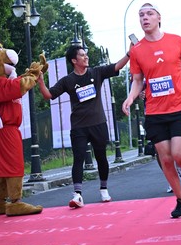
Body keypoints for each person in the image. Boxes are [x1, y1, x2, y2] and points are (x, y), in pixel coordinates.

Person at [122, 3, 181, 219]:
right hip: (154, 112)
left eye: (149, 14)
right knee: (165, 159)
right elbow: (137, 80)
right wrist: (130, 97)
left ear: (159, 17)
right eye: (141, 15)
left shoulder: (176, 40)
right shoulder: (137, 50)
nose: (145, 18)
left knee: (179, 155)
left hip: (178, 108)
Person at [37, 44, 129, 208]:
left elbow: (117, 66)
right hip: (79, 126)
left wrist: (129, 53)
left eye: (85, 54)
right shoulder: (68, 80)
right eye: (82, 55)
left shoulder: (96, 72)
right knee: (78, 158)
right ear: (74, 60)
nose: (86, 57)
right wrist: (40, 81)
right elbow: (48, 95)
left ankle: (104, 189)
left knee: (101, 157)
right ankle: (77, 195)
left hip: (98, 123)